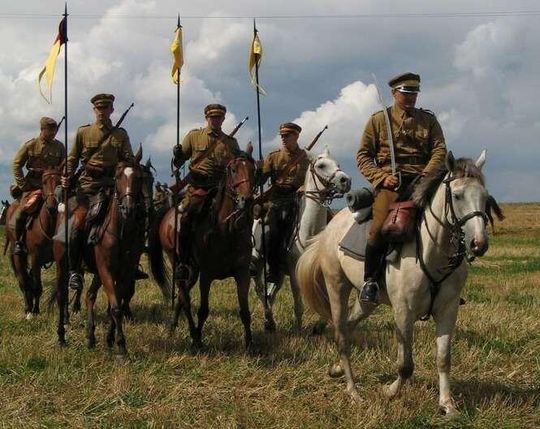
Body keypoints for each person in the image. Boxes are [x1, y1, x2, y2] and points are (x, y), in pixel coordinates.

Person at [356, 72, 447, 303]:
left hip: (423, 180)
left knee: (447, 218)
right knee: (378, 227)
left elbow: (439, 149)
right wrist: (381, 177)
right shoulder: (379, 120)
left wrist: (428, 172)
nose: (411, 97)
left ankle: (447, 279)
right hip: (392, 183)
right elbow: (363, 156)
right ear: (394, 93)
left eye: (414, 93)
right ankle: (370, 281)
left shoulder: (428, 120)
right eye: (406, 93)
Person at [62, 93, 144, 291]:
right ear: (94, 110)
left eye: (105, 108)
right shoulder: (84, 132)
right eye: (99, 108)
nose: (102, 111)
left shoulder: (120, 134)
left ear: (111, 110)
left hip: (111, 187)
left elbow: (127, 159)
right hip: (88, 187)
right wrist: (66, 175)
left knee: (134, 219)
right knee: (77, 225)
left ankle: (132, 264)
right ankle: (74, 271)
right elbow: (72, 158)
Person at [172, 103, 241, 280]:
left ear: (223, 119)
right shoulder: (194, 136)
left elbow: (238, 166)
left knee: (241, 217)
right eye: (212, 117)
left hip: (221, 188)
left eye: (219, 117)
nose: (215, 120)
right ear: (207, 118)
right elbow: (179, 163)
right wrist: (177, 155)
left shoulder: (231, 143)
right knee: (186, 219)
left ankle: (242, 258)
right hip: (198, 188)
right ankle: (183, 263)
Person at [259, 122, 309, 288]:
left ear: (296, 136)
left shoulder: (307, 158)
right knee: (273, 233)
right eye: (282, 136)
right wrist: (258, 170)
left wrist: (305, 186)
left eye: (287, 135)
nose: (283, 138)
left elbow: (314, 179)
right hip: (278, 201)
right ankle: (274, 270)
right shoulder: (273, 157)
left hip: (299, 199)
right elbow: (261, 181)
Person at [11, 117, 64, 255]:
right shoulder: (31, 145)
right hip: (33, 185)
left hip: (53, 187)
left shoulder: (59, 146)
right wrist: (23, 184)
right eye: (50, 130)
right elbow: (16, 164)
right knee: (21, 212)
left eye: (54, 130)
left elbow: (65, 165)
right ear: (42, 129)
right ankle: (19, 242)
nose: (53, 133)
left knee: (68, 209)